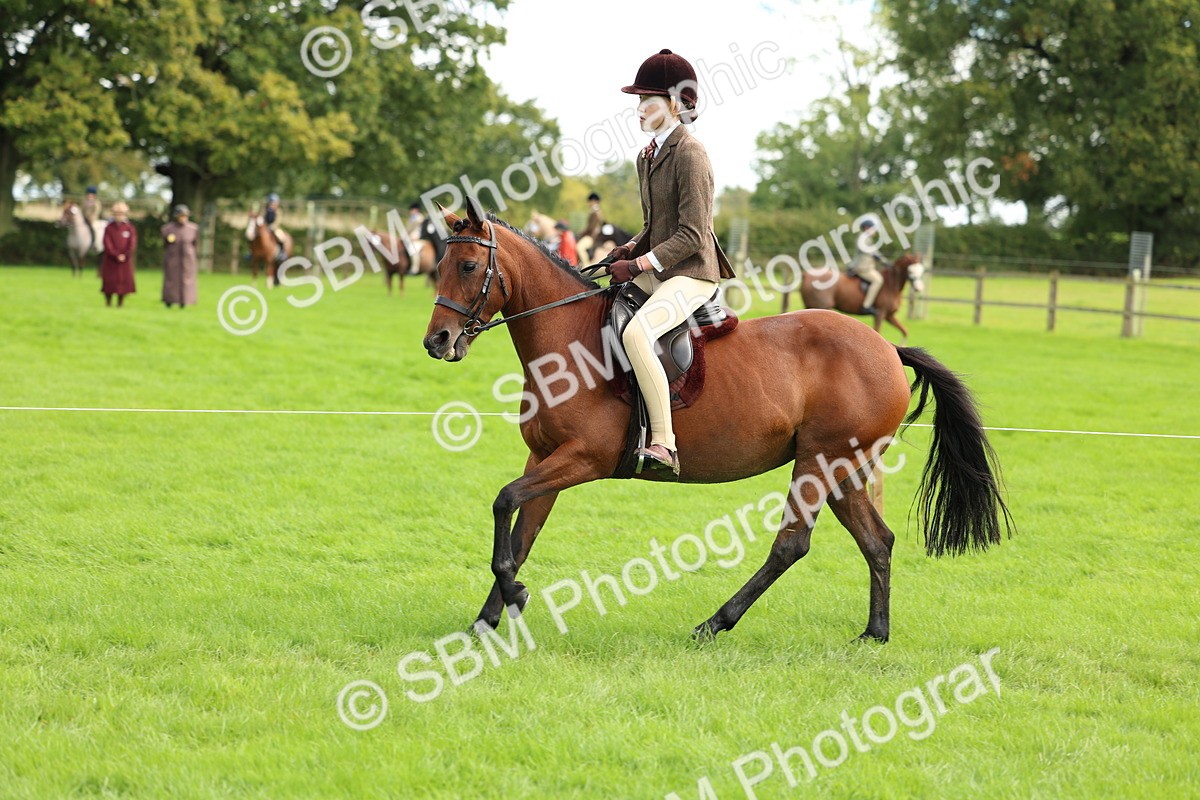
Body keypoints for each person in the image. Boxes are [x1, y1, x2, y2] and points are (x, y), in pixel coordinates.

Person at [606, 49, 735, 478]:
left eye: (649, 100)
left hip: (692, 275)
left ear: (677, 104)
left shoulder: (690, 154)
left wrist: (641, 263)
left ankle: (664, 442)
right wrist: (628, 250)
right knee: (600, 304)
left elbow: (693, 235)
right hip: (660, 270)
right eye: (638, 100)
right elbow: (655, 224)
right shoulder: (647, 156)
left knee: (639, 334)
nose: (639, 108)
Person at [161, 204, 199, 308]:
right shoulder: (167, 229)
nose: (183, 218)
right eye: (181, 216)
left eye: (185, 216)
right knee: (171, 280)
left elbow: (195, 244)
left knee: (186, 280)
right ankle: (169, 300)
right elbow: (164, 244)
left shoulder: (193, 228)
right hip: (173, 258)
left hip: (187, 259)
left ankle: (185, 301)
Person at [99, 201, 136, 307]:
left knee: (123, 282)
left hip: (125, 261)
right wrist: (115, 254)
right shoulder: (109, 228)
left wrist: (125, 255)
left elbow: (132, 243)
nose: (119, 216)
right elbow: (107, 242)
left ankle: (120, 303)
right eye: (117, 213)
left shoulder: (129, 228)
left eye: (121, 213)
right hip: (110, 260)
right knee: (109, 281)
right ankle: (108, 302)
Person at [849, 219, 886, 315]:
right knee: (878, 280)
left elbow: (874, 251)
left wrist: (884, 260)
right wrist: (875, 256)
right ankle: (866, 306)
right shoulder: (862, 237)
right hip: (862, 267)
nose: (875, 231)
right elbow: (866, 249)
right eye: (873, 228)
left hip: (868, 267)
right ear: (866, 228)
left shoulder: (867, 238)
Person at [264, 193, 287, 264]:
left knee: (281, 237)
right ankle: (251, 252)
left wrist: (272, 226)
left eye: (273, 202)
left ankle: (282, 253)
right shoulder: (266, 211)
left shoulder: (278, 211)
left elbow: (278, 221)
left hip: (275, 228)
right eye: (271, 202)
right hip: (265, 228)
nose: (272, 204)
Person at [82, 186, 102, 252]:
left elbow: (97, 211)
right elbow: (82, 211)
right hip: (84, 219)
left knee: (94, 228)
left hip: (93, 219)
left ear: (94, 195)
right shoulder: (84, 202)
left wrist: (92, 218)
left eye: (90, 194)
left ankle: (94, 243)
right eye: (88, 194)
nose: (89, 195)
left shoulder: (96, 202)